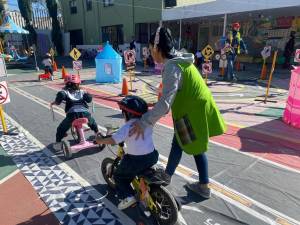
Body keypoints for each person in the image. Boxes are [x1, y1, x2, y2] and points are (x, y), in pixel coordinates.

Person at [129, 27, 226, 198]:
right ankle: (172, 177)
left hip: (192, 109)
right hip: (193, 106)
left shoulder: (172, 68)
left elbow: (165, 104)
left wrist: (144, 122)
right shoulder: (178, 59)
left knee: (194, 146)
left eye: (151, 50)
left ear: (158, 49)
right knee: (181, 141)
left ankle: (201, 186)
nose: (151, 54)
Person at [95, 95, 159, 209]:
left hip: (136, 160)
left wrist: (100, 140)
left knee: (119, 176)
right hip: (152, 156)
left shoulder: (127, 126)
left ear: (127, 114)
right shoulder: (147, 122)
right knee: (139, 166)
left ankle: (128, 197)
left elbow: (113, 139)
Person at [50, 74, 99, 149]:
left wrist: (54, 103)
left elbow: (58, 100)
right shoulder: (82, 92)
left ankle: (58, 143)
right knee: (93, 123)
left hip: (72, 115)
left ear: (66, 84)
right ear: (78, 83)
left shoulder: (64, 92)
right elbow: (89, 99)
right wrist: (88, 94)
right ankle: (97, 133)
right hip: (85, 114)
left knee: (61, 129)